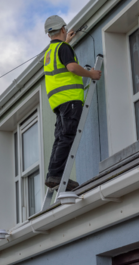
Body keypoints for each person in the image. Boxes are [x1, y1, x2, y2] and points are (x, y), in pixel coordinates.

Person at [43, 15, 101, 190]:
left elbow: (60, 65)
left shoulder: (50, 52)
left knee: (60, 138)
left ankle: (53, 174)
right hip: (70, 99)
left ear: (49, 34)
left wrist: (67, 42)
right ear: (62, 29)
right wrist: (91, 74)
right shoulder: (63, 49)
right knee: (67, 136)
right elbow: (72, 67)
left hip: (58, 102)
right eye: (65, 30)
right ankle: (56, 176)